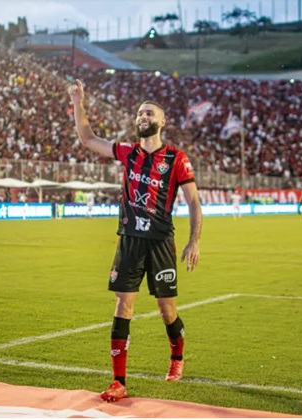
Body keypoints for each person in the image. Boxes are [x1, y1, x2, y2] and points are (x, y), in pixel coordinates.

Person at [68, 79, 202, 402]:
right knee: (123, 305)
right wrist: (77, 101)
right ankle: (118, 381)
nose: (142, 116)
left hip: (160, 242)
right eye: (140, 113)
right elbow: (87, 138)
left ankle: (177, 356)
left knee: (166, 310)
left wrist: (194, 240)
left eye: (149, 113)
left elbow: (194, 202)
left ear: (162, 121)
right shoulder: (128, 152)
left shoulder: (177, 159)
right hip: (129, 239)